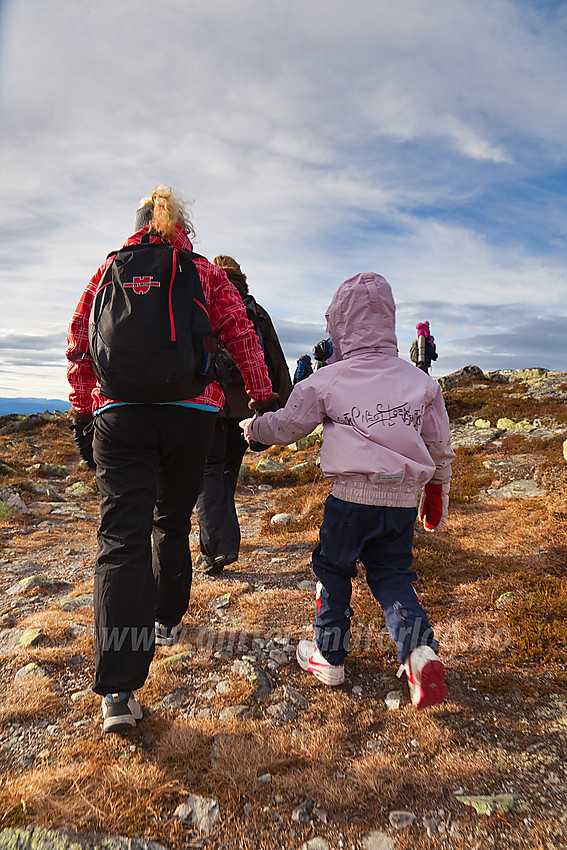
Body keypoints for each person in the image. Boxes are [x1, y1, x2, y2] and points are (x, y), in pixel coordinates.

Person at [66, 185, 274, 734]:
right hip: (192, 415)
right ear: (181, 225)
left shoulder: (109, 268)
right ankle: (163, 620)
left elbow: (79, 344)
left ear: (135, 224)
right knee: (171, 522)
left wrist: (84, 413)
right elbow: (239, 331)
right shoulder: (203, 270)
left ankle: (118, 690)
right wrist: (258, 391)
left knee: (119, 539)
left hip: (120, 415)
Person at [242, 273, 454, 709]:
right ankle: (419, 652)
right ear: (390, 321)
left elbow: (287, 424)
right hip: (400, 502)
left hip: (350, 500)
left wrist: (253, 429)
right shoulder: (420, 382)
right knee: (393, 574)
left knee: (333, 571)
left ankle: (329, 656)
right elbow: (439, 446)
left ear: (339, 324)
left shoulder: (329, 380)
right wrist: (437, 492)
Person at [194, 255, 292, 576]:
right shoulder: (256, 310)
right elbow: (275, 359)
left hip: (209, 402)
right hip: (245, 407)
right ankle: (220, 543)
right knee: (226, 472)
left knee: (207, 471)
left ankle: (220, 547)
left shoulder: (206, 301)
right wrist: (279, 405)